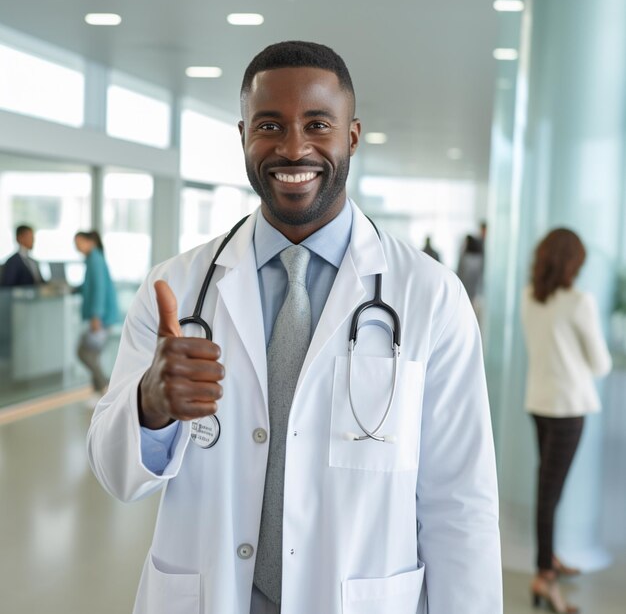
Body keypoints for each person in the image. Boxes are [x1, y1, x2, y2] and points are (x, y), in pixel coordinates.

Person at [87, 41, 501, 614]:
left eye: (317, 124)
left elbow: (460, 504)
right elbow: (116, 475)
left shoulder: (430, 296)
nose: (293, 147)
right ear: (242, 136)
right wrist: (150, 407)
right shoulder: (176, 288)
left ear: (352, 136)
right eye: (270, 125)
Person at [521, 228, 612, 613]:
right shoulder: (579, 302)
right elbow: (601, 364)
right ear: (573, 263)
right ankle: (544, 575)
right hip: (568, 408)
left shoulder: (529, 297)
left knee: (548, 490)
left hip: (539, 403)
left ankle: (549, 559)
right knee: (549, 494)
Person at [74, 230, 119, 396]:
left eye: (78, 243)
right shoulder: (94, 259)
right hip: (102, 316)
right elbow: (91, 286)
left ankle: (104, 386)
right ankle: (98, 391)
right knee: (92, 354)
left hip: (101, 317)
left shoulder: (95, 260)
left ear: (90, 242)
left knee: (84, 352)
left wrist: (96, 316)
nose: (76, 247)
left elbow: (99, 289)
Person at [457, 233, 484, 317]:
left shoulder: (464, 257)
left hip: (466, 286)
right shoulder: (479, 258)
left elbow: (460, 272)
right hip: (475, 289)